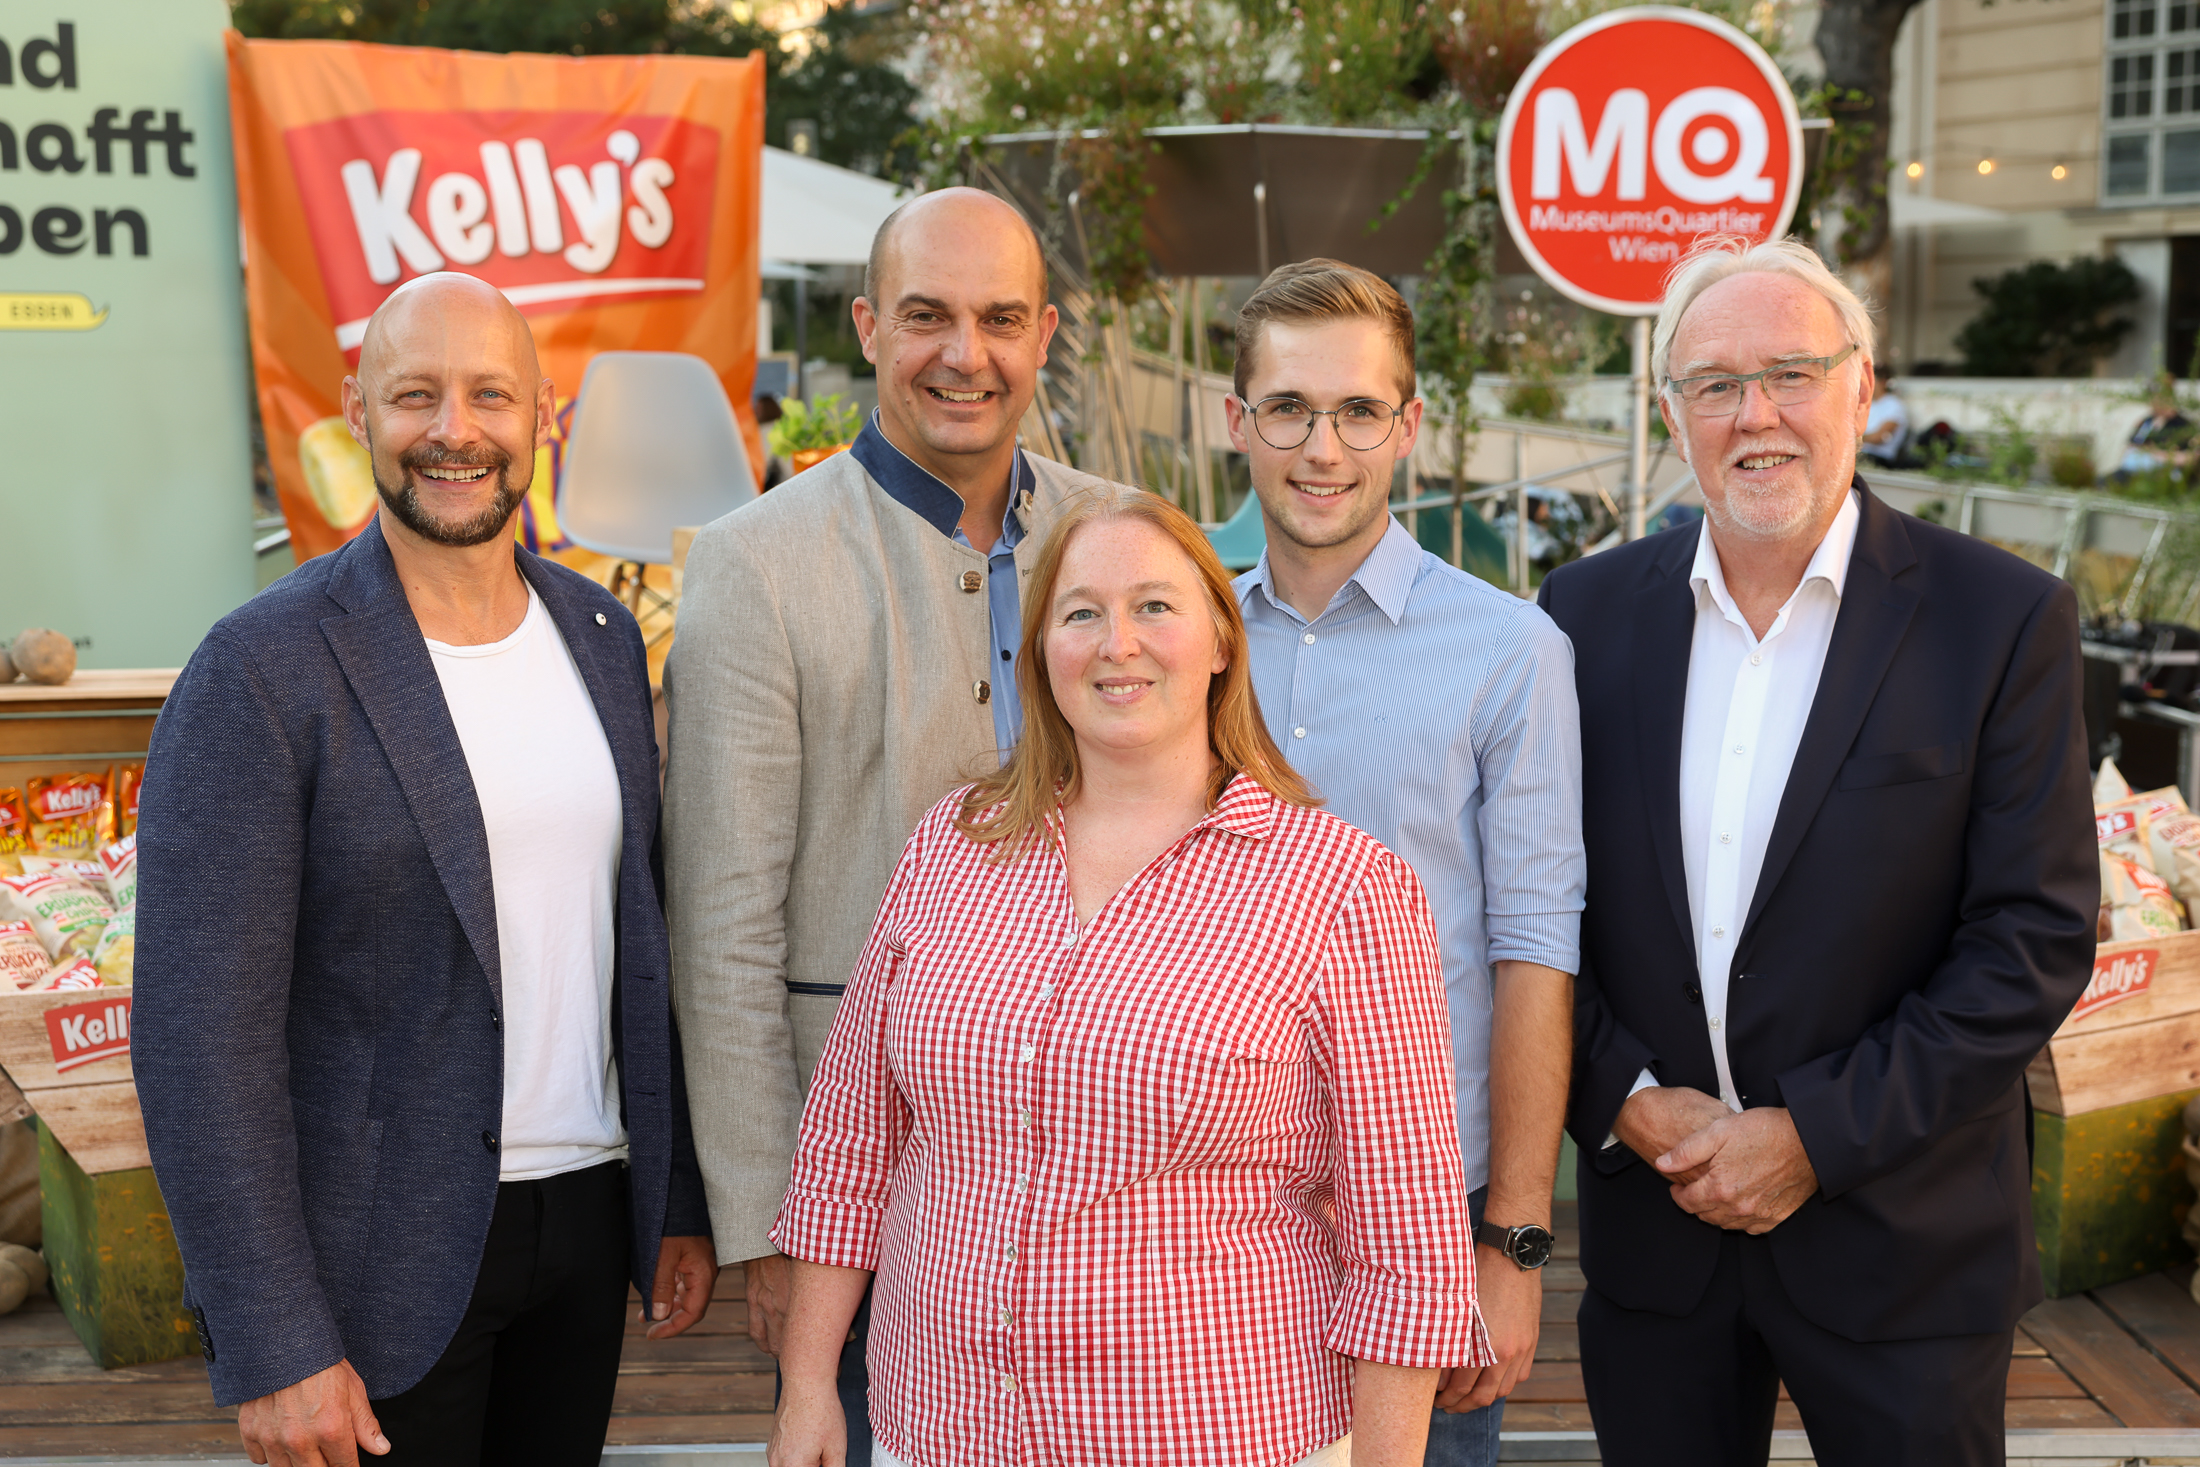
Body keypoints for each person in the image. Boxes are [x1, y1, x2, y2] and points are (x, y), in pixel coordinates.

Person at [766, 486, 1491, 1467]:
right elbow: (850, 1139)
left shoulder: (1341, 890)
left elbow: (1406, 1240)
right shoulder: (951, 846)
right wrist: (809, 1384)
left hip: (1220, 1436)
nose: (1118, 644)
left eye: (1154, 605)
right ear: (1038, 653)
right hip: (935, 1425)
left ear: (1222, 639)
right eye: (1080, 613)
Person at [134, 272, 717, 1467]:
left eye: (490, 395)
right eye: (416, 396)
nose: (455, 430)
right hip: (371, 1263)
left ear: (543, 416)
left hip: (588, 1219)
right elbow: (198, 1039)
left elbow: (639, 941)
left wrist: (675, 1199)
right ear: (358, 409)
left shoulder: (603, 638)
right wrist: (271, 1337)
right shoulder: (260, 668)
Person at [1537, 236, 2095, 1467]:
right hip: (1659, 1233)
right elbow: (1536, 906)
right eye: (1714, 384)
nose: (1756, 416)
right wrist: (1625, 1099)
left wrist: (1812, 1137)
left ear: (1861, 384)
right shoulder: (1579, 616)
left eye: (1791, 373)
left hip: (1903, 1247)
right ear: (1670, 412)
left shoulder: (2001, 618)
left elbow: (2031, 937)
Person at [664, 188, 1133, 1454]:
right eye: (926, 316)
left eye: (999, 320)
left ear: (1044, 335)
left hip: (1109, 1180)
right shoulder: (756, 562)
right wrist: (770, 1225)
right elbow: (721, 926)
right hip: (861, 1197)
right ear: (869, 327)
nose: (964, 354)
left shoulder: (1117, 535)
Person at [1224, 259, 1584, 1467]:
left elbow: (1533, 951)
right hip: (1207, 1206)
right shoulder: (1184, 643)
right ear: (1237, 421)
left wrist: (1513, 1244)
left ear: (1408, 425)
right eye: (1288, 408)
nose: (1322, 448)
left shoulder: (1509, 649)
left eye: (1358, 411)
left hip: (1427, 1208)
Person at [2115, 372, 2197, 481]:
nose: (2154, 402)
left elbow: (2191, 457)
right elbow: (2131, 447)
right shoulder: (2147, 422)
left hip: (2165, 476)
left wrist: (2159, 455)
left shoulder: (2183, 425)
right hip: (2136, 473)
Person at [1858, 363, 1908, 466]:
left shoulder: (1894, 405)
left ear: (1883, 381)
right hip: (1861, 454)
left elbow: (1879, 437)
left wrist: (1853, 440)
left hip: (1879, 458)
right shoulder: (1865, 404)